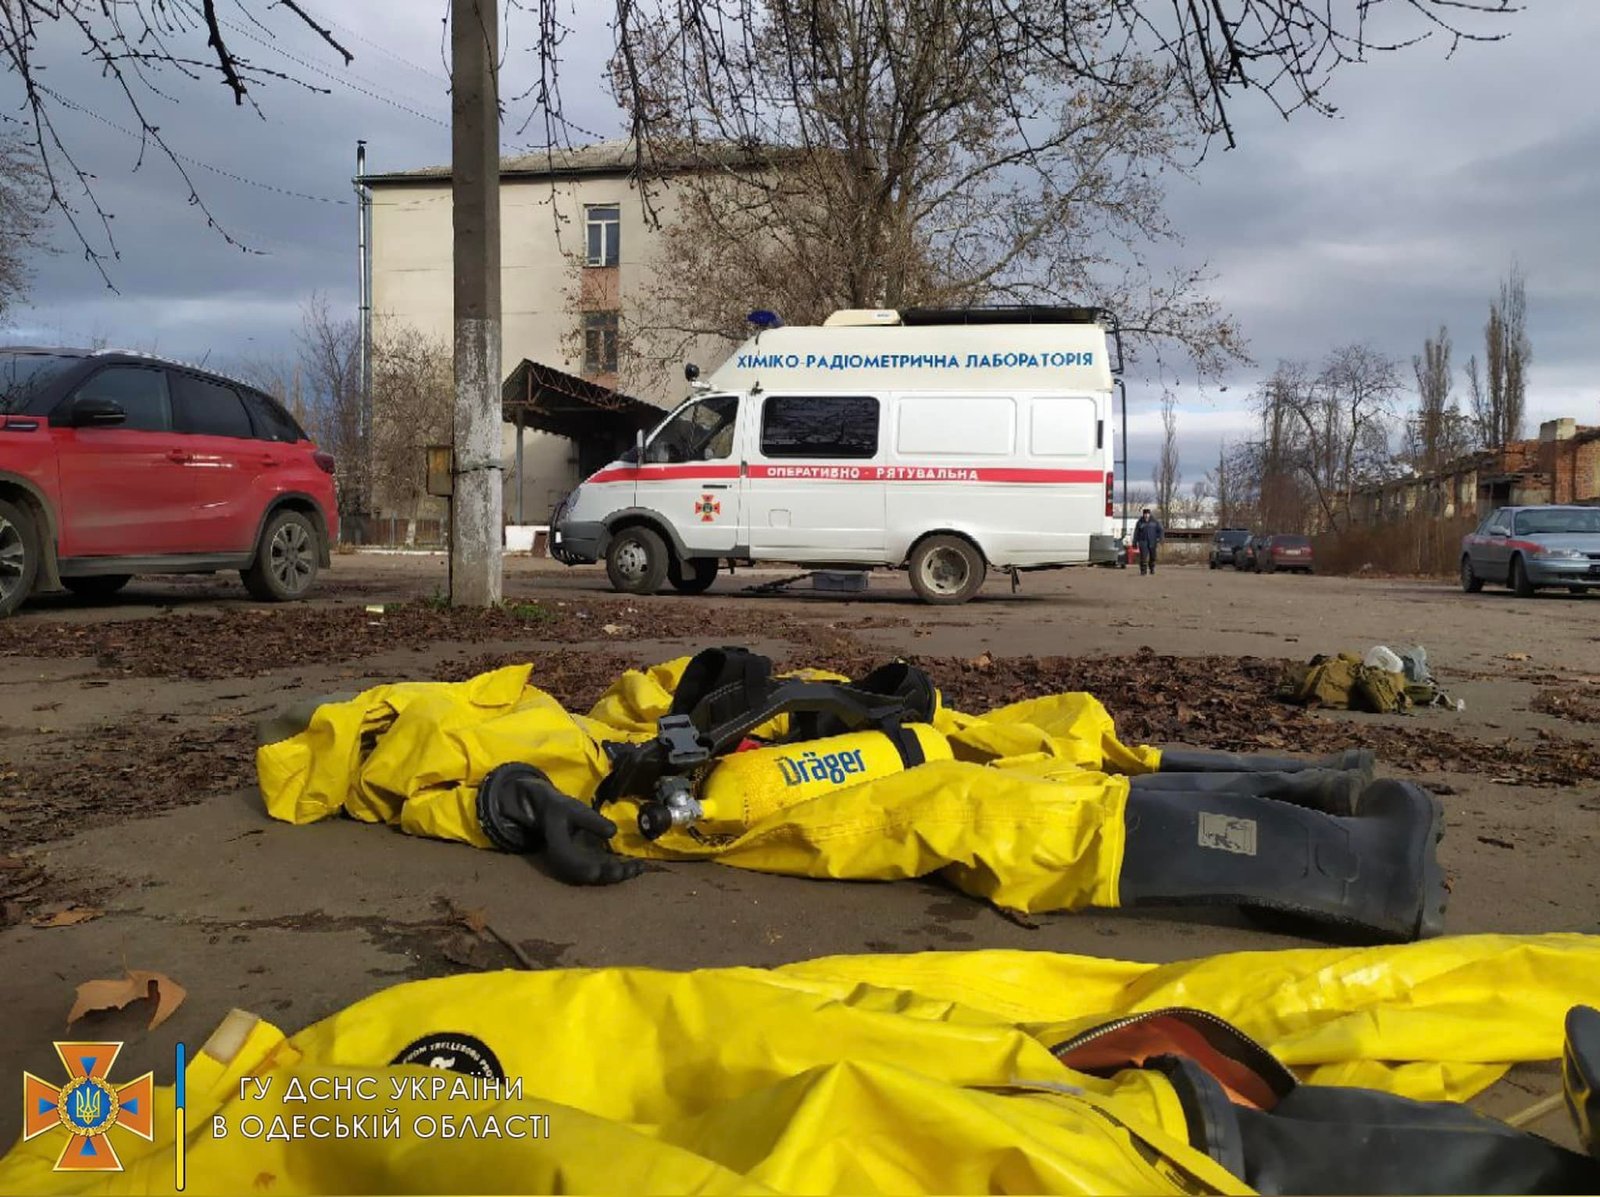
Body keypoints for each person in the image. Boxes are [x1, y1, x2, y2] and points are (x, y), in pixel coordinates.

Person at [259, 647, 1448, 944]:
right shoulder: (376, 744)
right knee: (973, 811)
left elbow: (617, 703)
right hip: (693, 798)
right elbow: (455, 785)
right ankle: (1347, 866)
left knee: (984, 738)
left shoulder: (442, 703)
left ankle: (1301, 790)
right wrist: (522, 804)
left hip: (674, 754)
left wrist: (803, 691)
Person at [1133, 507, 1164, 574]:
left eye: (1147, 514)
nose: (1146, 515)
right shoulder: (1140, 522)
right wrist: (1134, 542)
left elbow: (1161, 530)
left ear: (1149, 514)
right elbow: (1136, 532)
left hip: (1152, 541)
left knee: (1153, 556)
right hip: (1143, 541)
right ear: (1143, 515)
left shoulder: (1155, 521)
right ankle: (1143, 571)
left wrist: (1160, 538)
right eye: (1145, 514)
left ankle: (1152, 568)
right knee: (1143, 557)